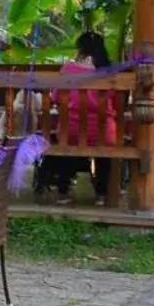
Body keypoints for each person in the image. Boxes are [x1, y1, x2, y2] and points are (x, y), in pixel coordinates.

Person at [50, 30, 117, 205]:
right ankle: (102, 194)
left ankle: (63, 190)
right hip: (102, 134)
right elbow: (116, 103)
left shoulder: (67, 70)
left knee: (67, 141)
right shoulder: (109, 73)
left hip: (70, 132)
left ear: (80, 49)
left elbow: (56, 98)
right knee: (103, 145)